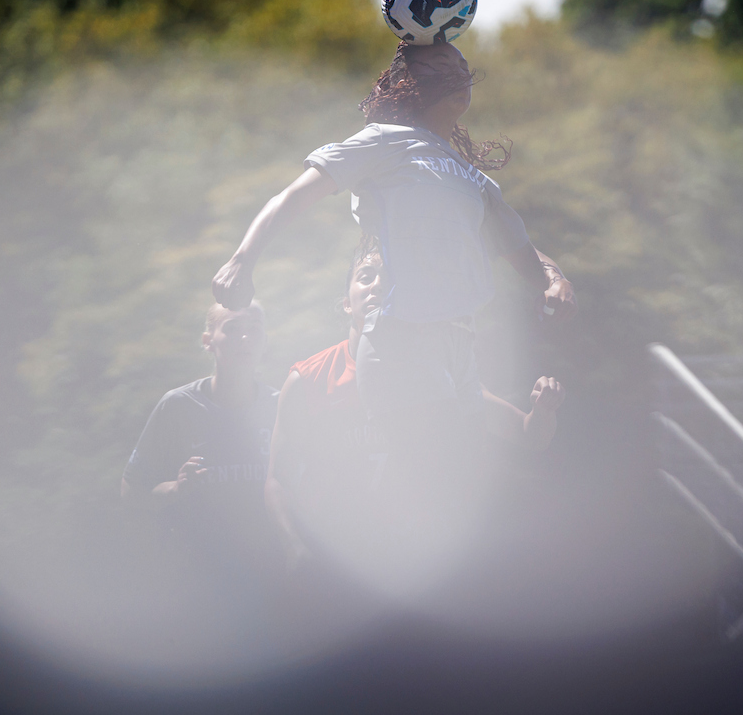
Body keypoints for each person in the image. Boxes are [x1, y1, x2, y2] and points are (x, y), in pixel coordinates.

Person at [211, 41, 575, 431]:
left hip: (461, 347)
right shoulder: (382, 140)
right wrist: (242, 260)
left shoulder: (475, 179)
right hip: (401, 336)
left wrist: (555, 280)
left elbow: (523, 251)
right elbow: (293, 197)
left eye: (462, 63)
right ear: (408, 80)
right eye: (441, 62)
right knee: (431, 456)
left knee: (454, 466)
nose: (458, 71)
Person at [265, 235, 565, 576]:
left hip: (410, 563)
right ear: (346, 302)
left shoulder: (437, 373)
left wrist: (543, 410)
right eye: (365, 276)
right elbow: (277, 480)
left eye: (390, 277)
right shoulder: (308, 379)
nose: (377, 285)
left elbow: (529, 435)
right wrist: (295, 549)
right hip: (331, 559)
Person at [121, 301, 280, 580]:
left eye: (254, 329)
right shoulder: (178, 406)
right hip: (199, 577)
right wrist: (176, 489)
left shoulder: (280, 406)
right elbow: (132, 490)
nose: (244, 337)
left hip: (271, 575)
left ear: (265, 342)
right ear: (208, 341)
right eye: (232, 328)